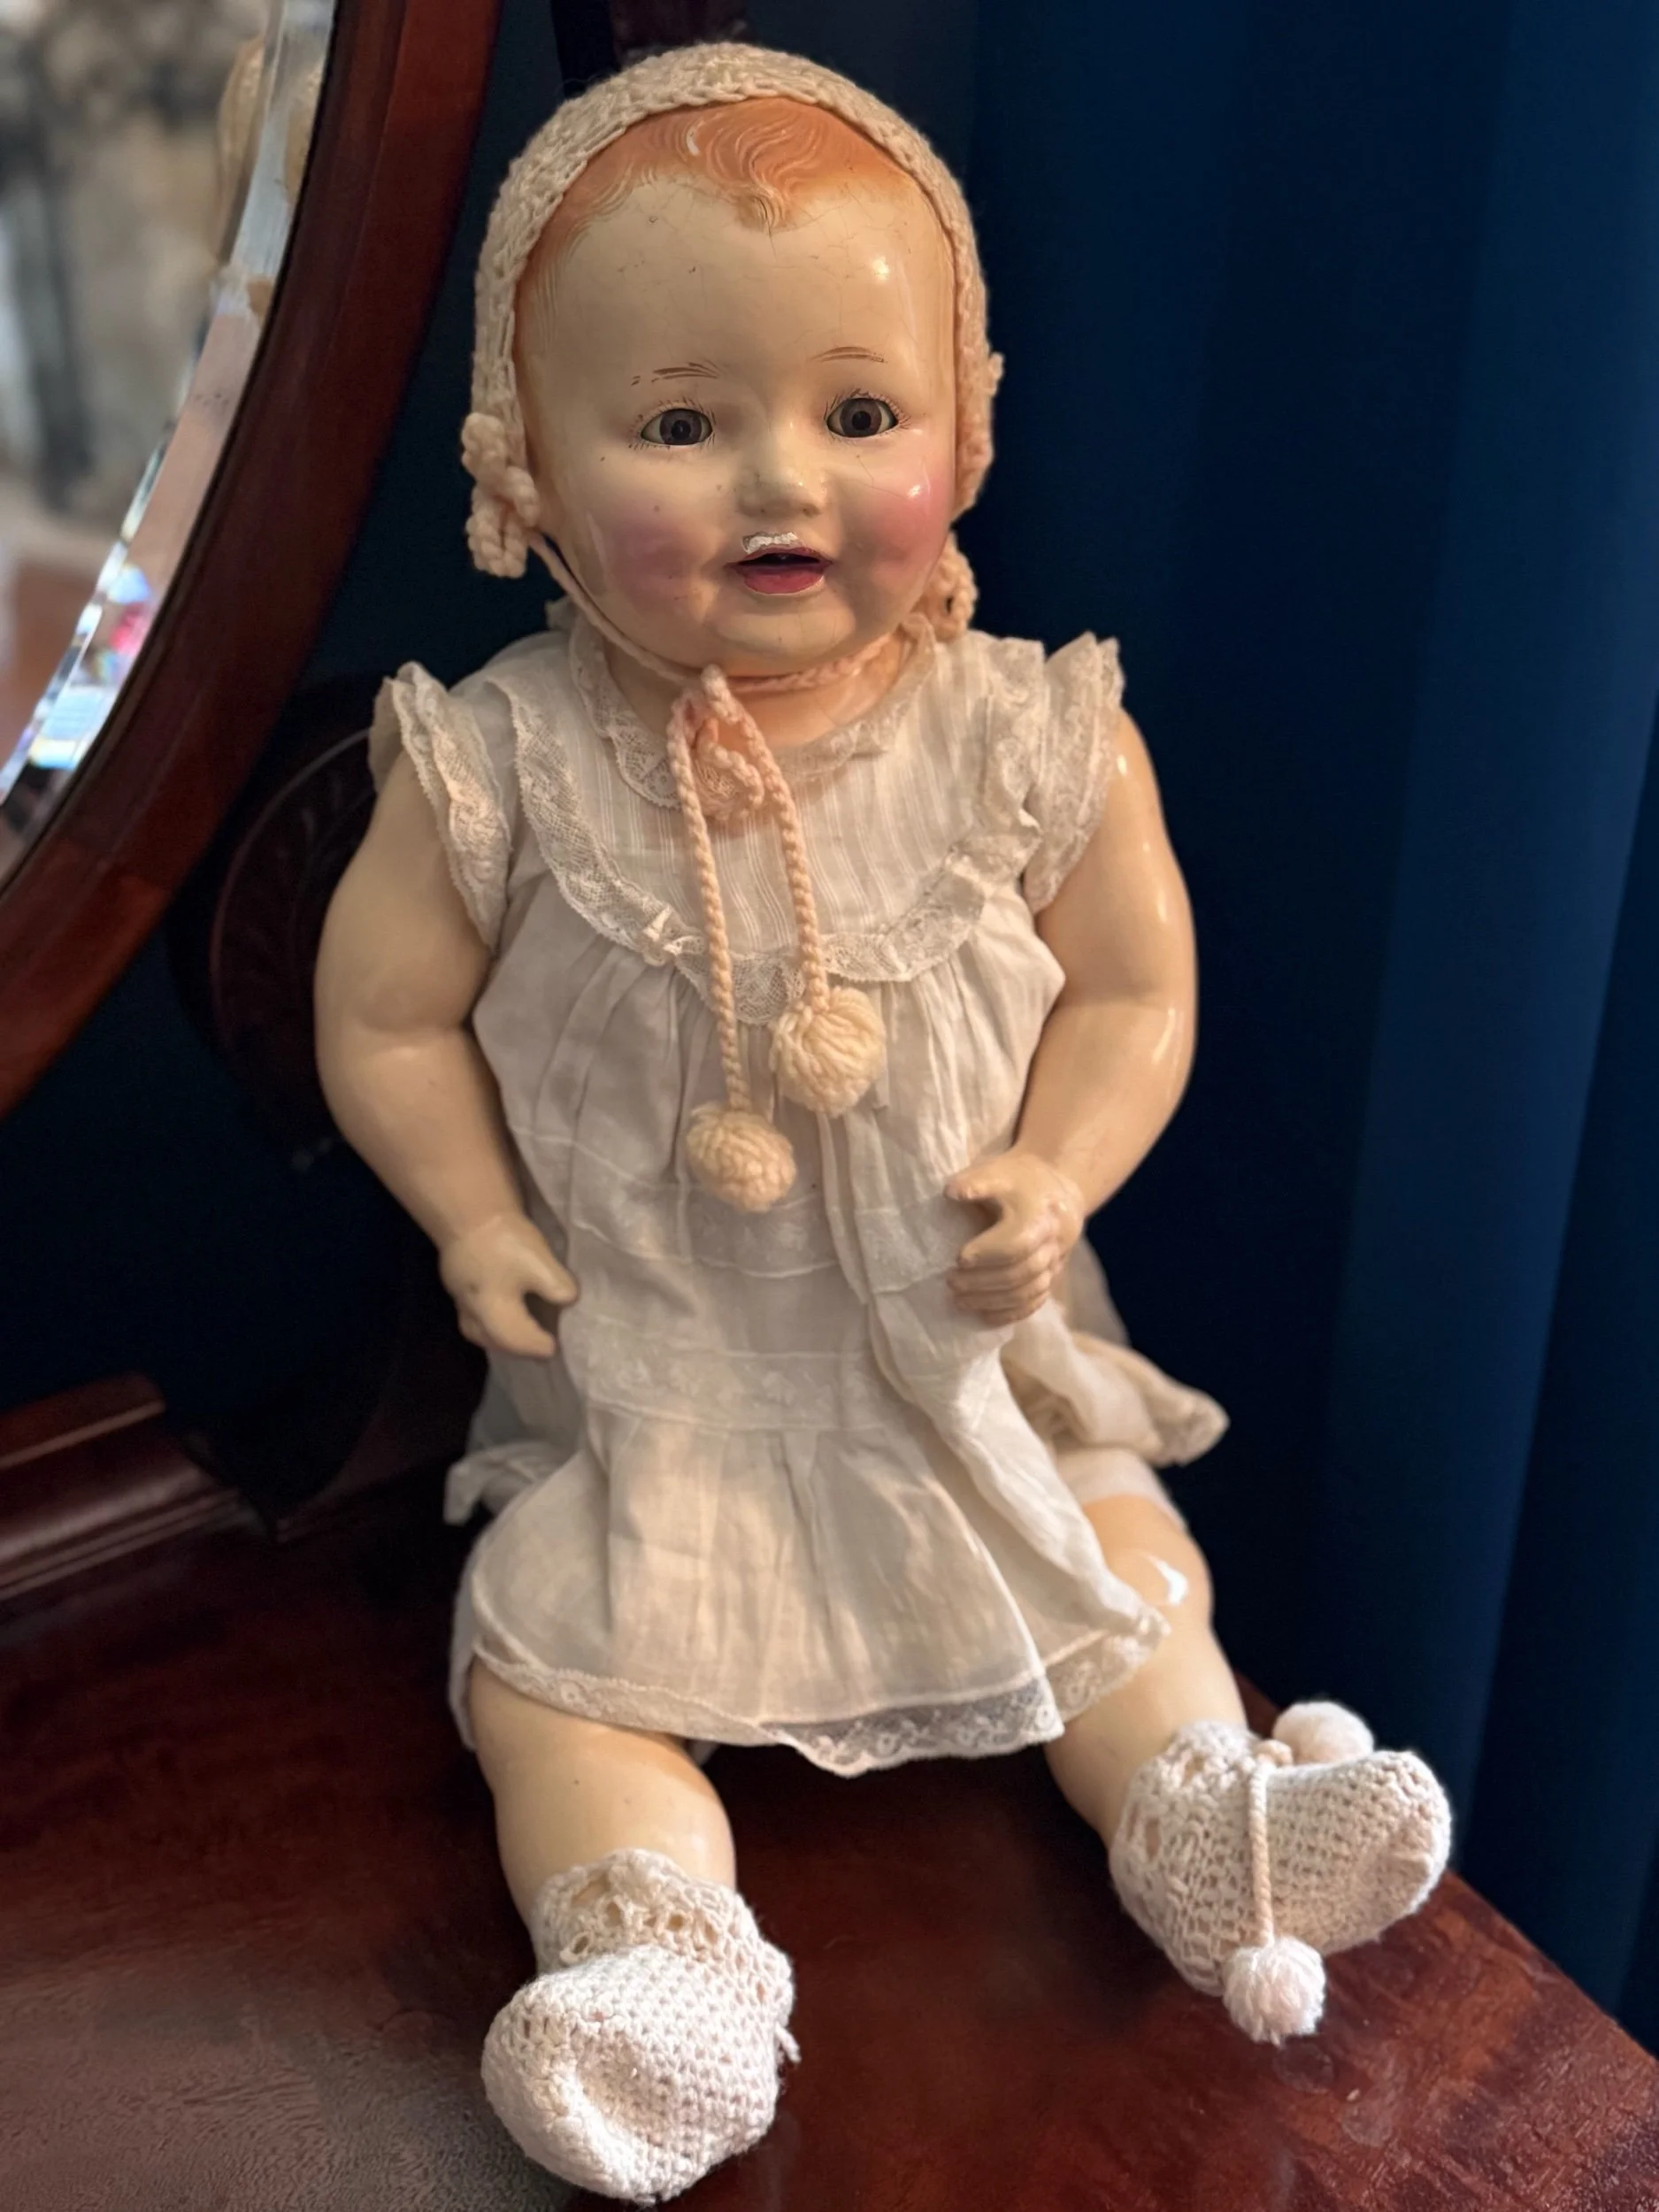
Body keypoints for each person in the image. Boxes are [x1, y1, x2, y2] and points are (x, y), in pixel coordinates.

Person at [315, 42, 1450, 2204]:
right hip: (659, 1373)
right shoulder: (503, 762)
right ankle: (660, 1958)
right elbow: (383, 1018)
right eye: (680, 424)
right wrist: (468, 1210)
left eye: (860, 413)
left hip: (964, 1342)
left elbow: (1134, 990)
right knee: (551, 1675)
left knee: (1121, 1556)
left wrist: (1059, 1162)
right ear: (524, 460)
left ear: (965, 423)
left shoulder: (1029, 735)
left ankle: (1202, 1817)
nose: (784, 478)